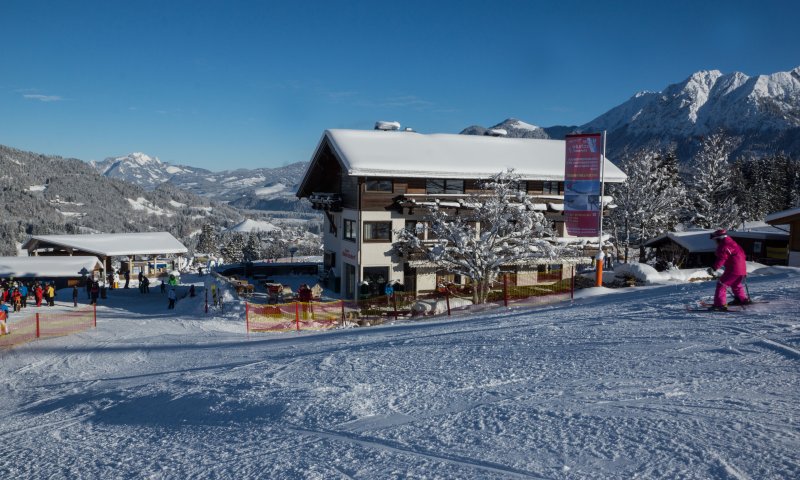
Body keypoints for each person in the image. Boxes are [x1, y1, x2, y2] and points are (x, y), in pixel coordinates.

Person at [707, 229, 751, 311]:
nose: (715, 242)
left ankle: (720, 305)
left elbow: (722, 258)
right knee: (735, 284)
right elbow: (743, 255)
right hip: (742, 268)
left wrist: (714, 268)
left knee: (722, 285)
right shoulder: (733, 243)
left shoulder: (724, 246)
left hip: (733, 269)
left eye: (715, 240)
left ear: (719, 238)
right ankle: (741, 299)